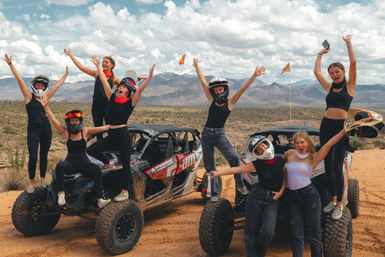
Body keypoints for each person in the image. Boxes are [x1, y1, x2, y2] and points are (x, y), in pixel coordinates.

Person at [192, 58, 266, 200]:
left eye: (220, 89)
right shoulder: (211, 100)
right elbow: (202, 82)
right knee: (210, 166)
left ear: (225, 90)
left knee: (234, 158)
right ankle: (214, 194)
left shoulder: (231, 102)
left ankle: (239, 184)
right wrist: (197, 67)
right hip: (206, 134)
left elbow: (242, 89)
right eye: (216, 90)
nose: (218, 91)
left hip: (220, 135)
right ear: (213, 91)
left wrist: (254, 75)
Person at [87, 55, 155, 201]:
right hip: (112, 135)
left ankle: (125, 191)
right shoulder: (112, 97)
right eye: (120, 86)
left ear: (128, 92)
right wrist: (98, 66)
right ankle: (108, 162)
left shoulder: (130, 103)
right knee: (91, 150)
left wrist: (148, 78)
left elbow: (140, 90)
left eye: (124, 88)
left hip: (123, 136)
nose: (121, 88)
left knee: (125, 165)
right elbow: (105, 82)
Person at [210, 136, 286, 257]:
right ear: (257, 153)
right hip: (256, 197)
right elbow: (236, 169)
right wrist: (217, 173)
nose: (262, 148)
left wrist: (281, 192)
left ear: (267, 144)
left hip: (272, 199)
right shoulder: (257, 164)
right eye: (259, 149)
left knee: (268, 232)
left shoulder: (281, 160)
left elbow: (285, 179)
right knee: (251, 231)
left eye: (263, 145)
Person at [3, 53, 68, 194]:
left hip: (46, 129)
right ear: (34, 85)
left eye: (42, 85)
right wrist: (10, 64)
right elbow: (19, 79)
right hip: (33, 129)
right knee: (33, 156)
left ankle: (43, 180)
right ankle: (31, 182)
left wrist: (65, 74)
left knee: (44, 155)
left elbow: (57, 85)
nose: (40, 86)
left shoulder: (45, 96)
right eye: (38, 84)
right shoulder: (28, 96)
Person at [284, 128, 347, 257]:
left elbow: (329, 143)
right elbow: (279, 166)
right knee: (296, 233)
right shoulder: (289, 154)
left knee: (314, 234)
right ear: (294, 144)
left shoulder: (314, 157)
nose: (300, 145)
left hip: (309, 197)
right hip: (293, 197)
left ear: (308, 143)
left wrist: (343, 131)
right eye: (297, 143)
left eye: (302, 142)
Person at [40, 95, 111, 208]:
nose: (74, 123)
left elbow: (104, 128)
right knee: (60, 166)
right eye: (72, 121)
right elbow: (53, 120)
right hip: (70, 163)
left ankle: (99, 199)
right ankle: (61, 194)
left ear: (80, 121)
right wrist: (45, 107)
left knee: (97, 171)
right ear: (69, 122)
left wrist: (121, 124)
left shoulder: (85, 131)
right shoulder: (66, 132)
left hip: (84, 163)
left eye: (76, 120)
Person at [314, 34, 356, 220]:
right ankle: (332, 200)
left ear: (343, 72)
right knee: (328, 165)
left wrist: (348, 43)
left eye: (336, 72)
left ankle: (340, 203)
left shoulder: (350, 87)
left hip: (341, 128)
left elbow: (354, 62)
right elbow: (317, 73)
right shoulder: (329, 87)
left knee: (338, 165)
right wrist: (320, 55)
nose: (333, 75)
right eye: (331, 73)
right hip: (326, 126)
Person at [64, 49, 120, 140]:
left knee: (110, 128)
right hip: (96, 106)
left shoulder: (114, 78)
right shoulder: (97, 73)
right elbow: (81, 67)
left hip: (108, 106)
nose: (104, 64)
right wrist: (71, 55)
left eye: (107, 62)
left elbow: (126, 86)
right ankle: (99, 150)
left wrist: (137, 79)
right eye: (103, 62)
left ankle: (112, 148)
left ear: (112, 65)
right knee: (98, 129)